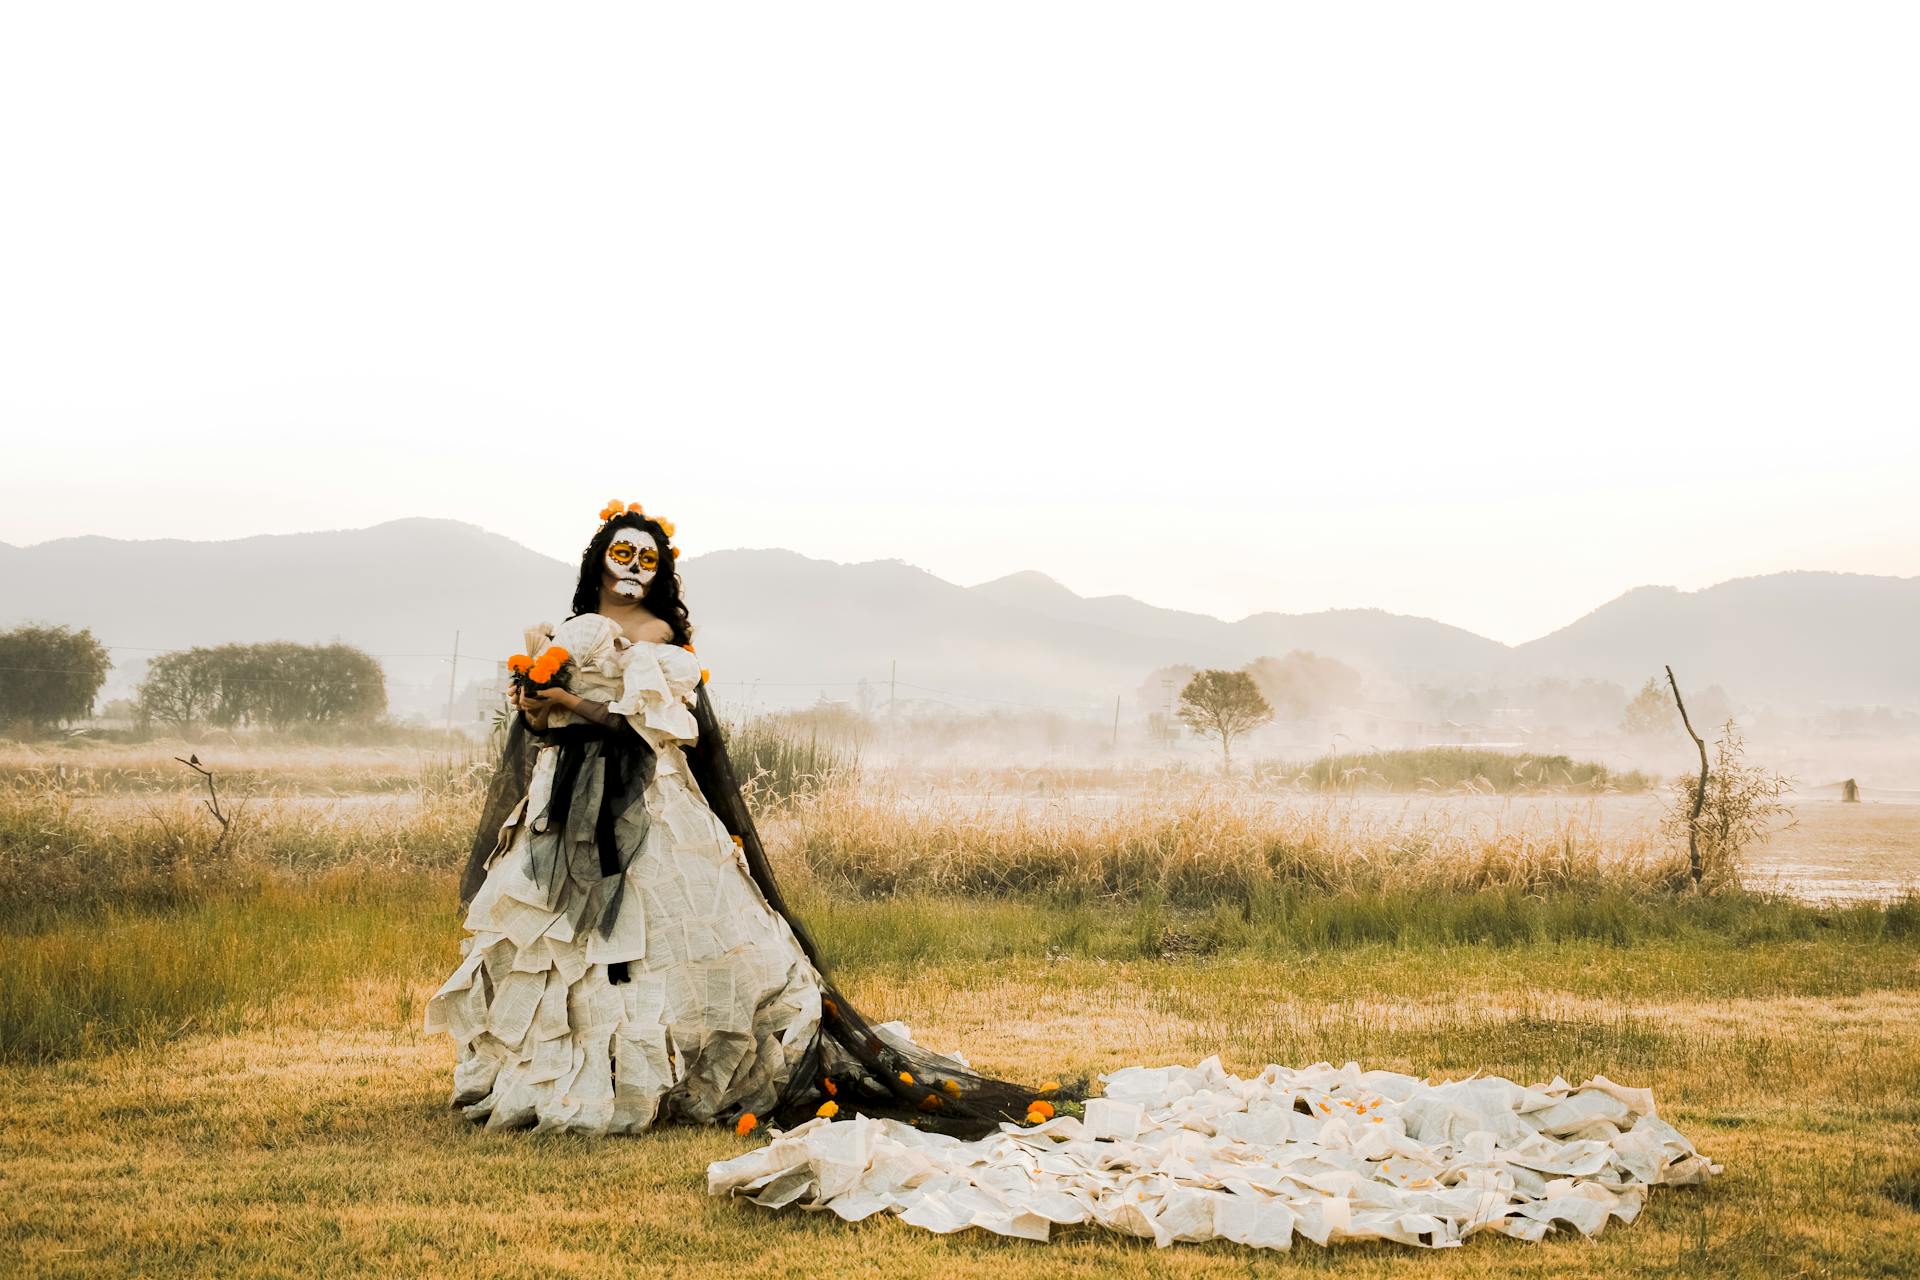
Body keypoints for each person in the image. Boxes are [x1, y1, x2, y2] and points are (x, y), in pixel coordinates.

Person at [425, 500, 1069, 1137]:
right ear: (599, 560)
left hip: (642, 801)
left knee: (650, 935)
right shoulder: (573, 628)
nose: (635, 567)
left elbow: (647, 727)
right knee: (557, 941)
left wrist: (567, 696)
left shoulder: (658, 638)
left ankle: (672, 1067)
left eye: (648, 558)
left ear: (661, 571)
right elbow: (542, 725)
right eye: (623, 553)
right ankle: (551, 1066)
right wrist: (536, 703)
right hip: (562, 799)